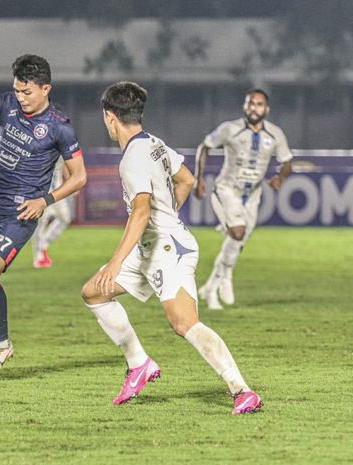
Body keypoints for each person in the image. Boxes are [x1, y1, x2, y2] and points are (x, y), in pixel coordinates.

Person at [81, 81, 262, 414]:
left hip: (167, 250)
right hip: (155, 245)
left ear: (110, 117)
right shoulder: (153, 143)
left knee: (184, 323)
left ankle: (242, 391)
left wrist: (114, 262)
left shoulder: (131, 158)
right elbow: (187, 180)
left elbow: (141, 211)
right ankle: (139, 365)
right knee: (94, 292)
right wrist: (166, 219)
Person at [0, 55, 86, 378]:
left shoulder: (59, 127)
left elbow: (78, 177)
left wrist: (45, 200)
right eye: (18, 91)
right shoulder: (7, 104)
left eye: (27, 92)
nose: (21, 98)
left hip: (20, 213)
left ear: (46, 89)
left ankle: (3, 343)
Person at [195, 89, 292, 310]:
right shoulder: (230, 129)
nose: (254, 108)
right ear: (244, 106)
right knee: (237, 233)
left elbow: (287, 161)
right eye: (250, 104)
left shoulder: (275, 134)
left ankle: (211, 286)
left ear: (266, 109)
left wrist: (281, 177)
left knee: (238, 243)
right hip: (227, 190)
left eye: (259, 104)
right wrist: (198, 179)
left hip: (253, 195)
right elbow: (204, 147)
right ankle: (222, 281)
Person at [31, 157, 74, 268]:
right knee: (41, 221)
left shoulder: (63, 141)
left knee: (65, 218)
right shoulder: (40, 143)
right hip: (42, 189)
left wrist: (70, 179)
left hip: (57, 190)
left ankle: (43, 245)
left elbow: (67, 161)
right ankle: (39, 256)